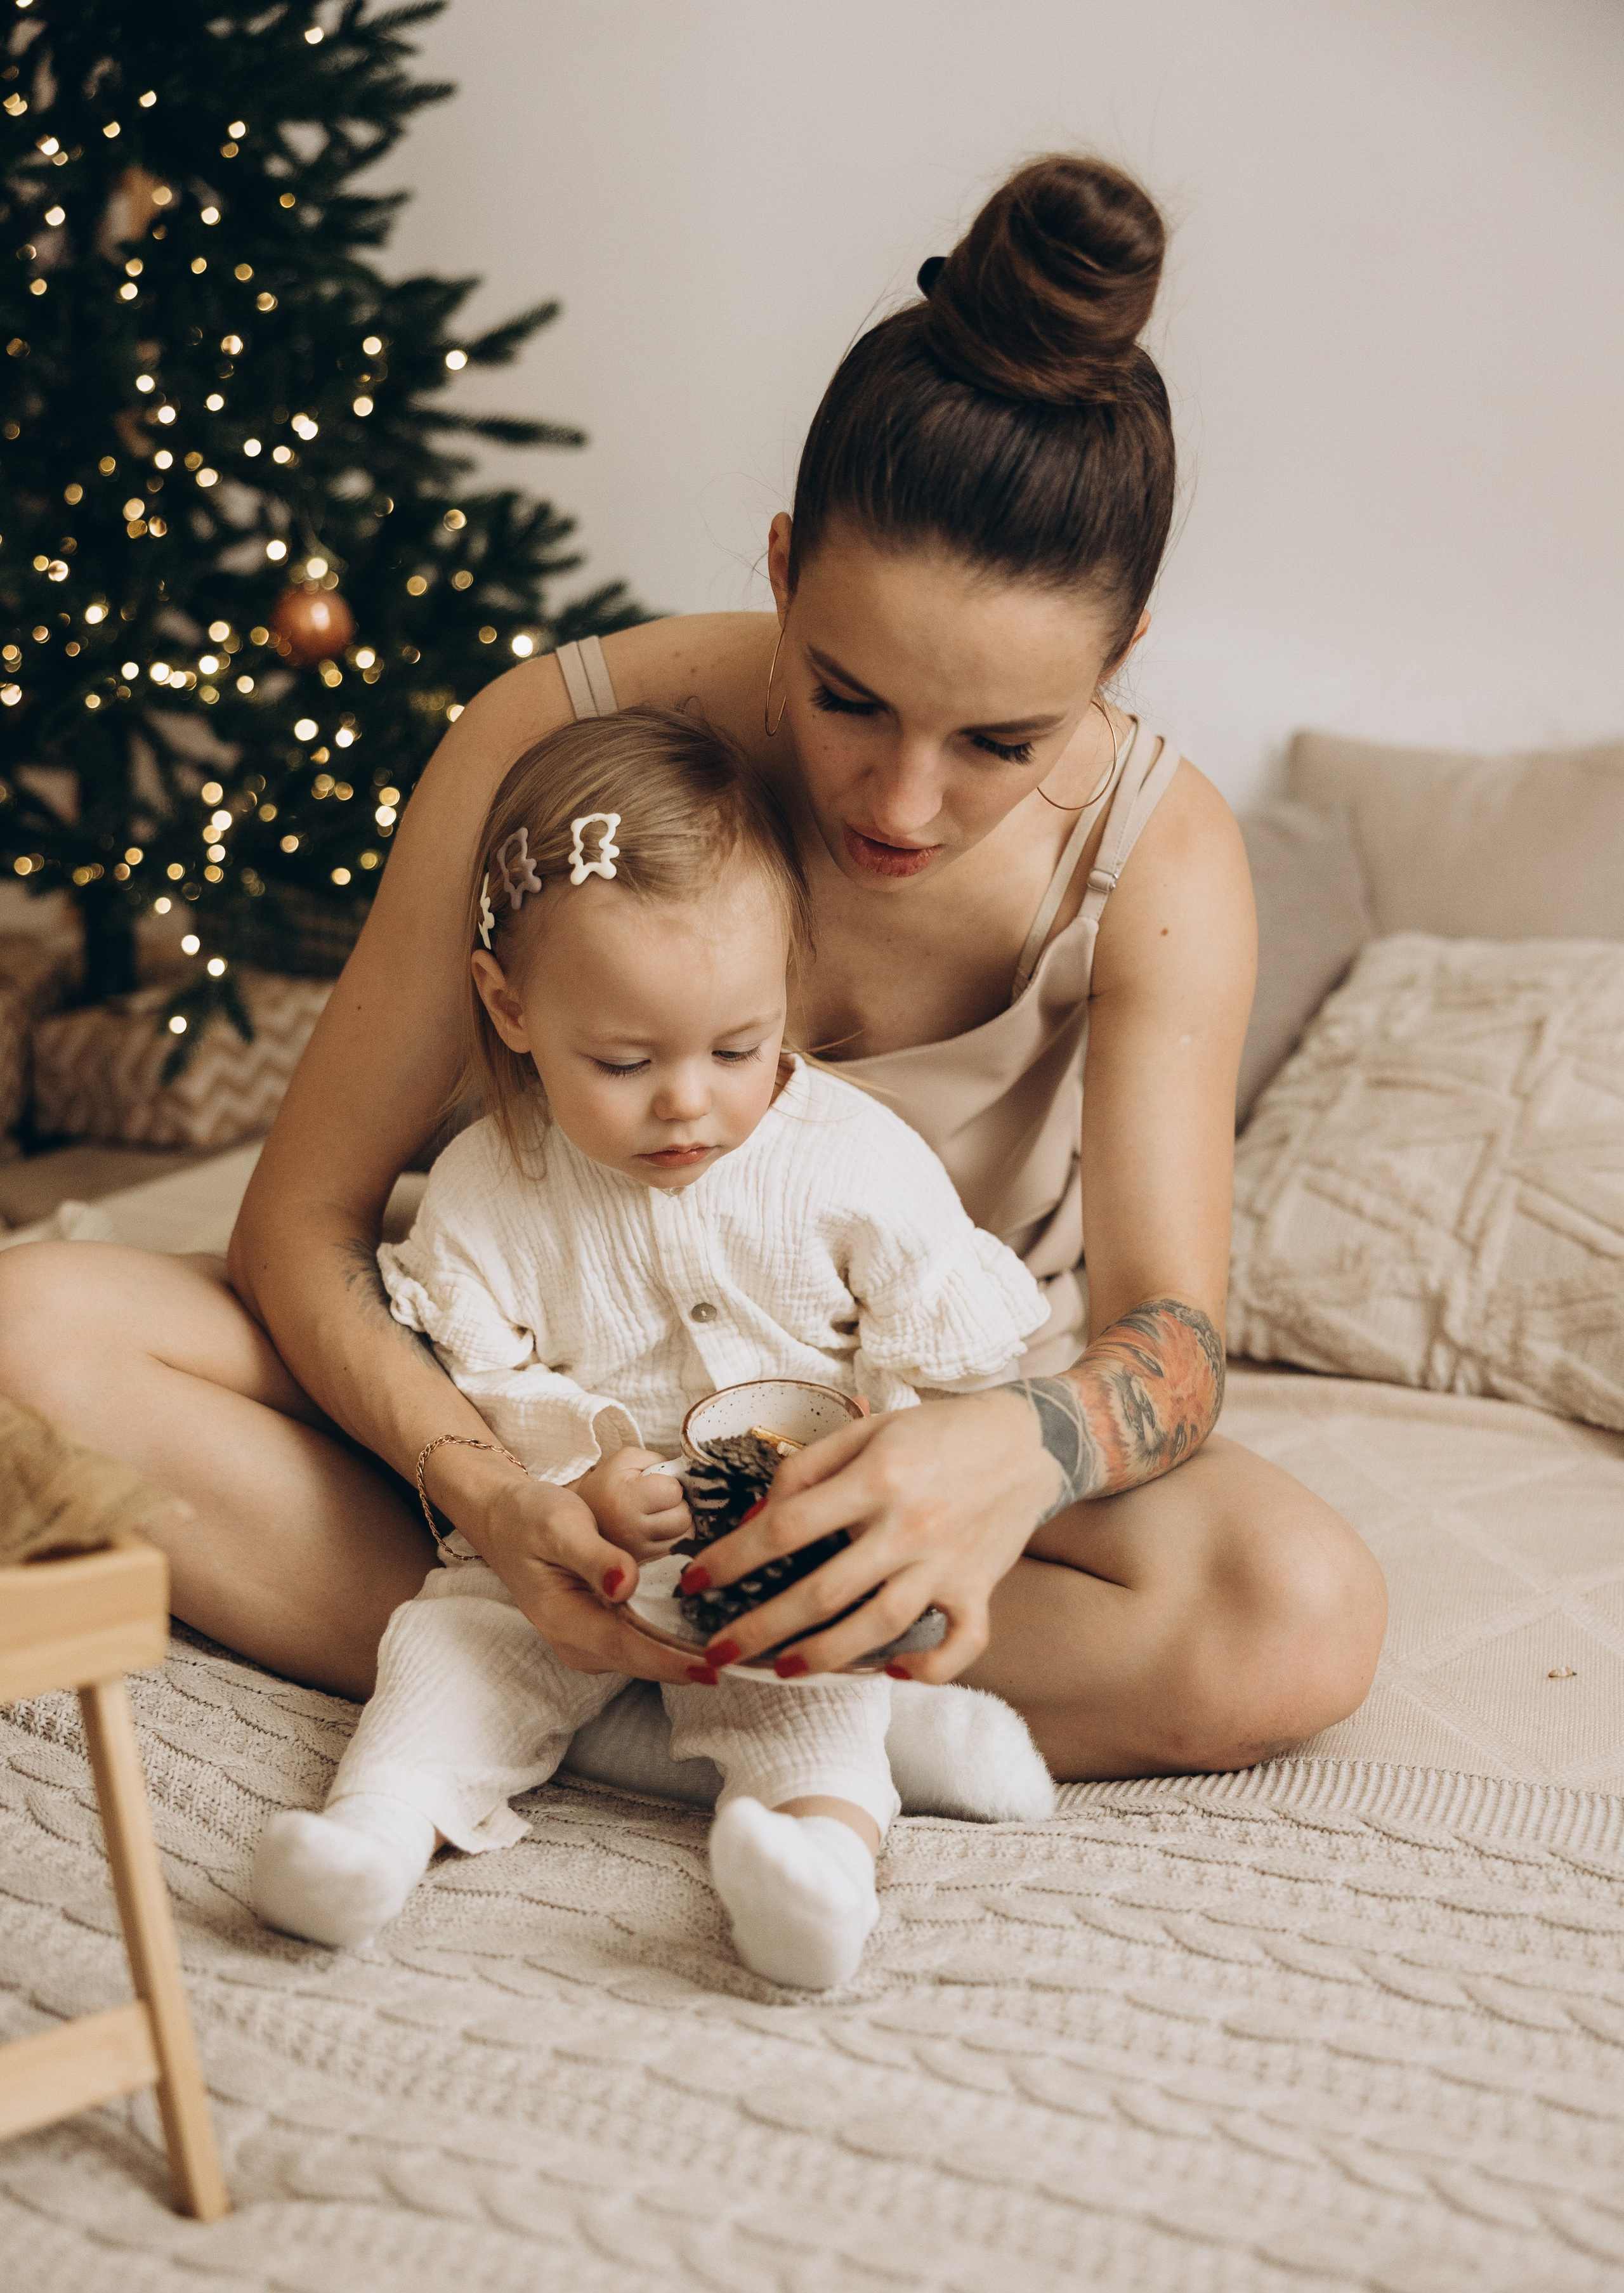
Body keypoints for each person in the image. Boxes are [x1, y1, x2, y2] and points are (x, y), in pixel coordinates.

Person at [0, 152, 1385, 1777]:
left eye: (999, 742)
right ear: (785, 569)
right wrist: (488, 1489)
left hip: (872, 1444)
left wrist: (1012, 1453)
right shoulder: (560, 739)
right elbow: (299, 1224)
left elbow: (1172, 1339)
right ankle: (626, 1672)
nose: (899, 802)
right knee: (30, 1334)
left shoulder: (1154, 856)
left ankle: (565, 1699)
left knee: (1296, 1612)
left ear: (1115, 665)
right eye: (847, 696)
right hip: (536, 1393)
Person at [251, 707, 1052, 1987]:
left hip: (780, 1570)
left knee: (816, 1712)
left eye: (739, 1046)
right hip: (560, 1565)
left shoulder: (855, 1165)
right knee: (443, 1655)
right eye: (622, 1060)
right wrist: (571, 1484)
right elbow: (484, 1381)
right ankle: (370, 1842)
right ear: (510, 1009)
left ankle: (815, 1882)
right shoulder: (486, 1186)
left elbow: (948, 1375)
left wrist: (871, 1477)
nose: (689, 1100)